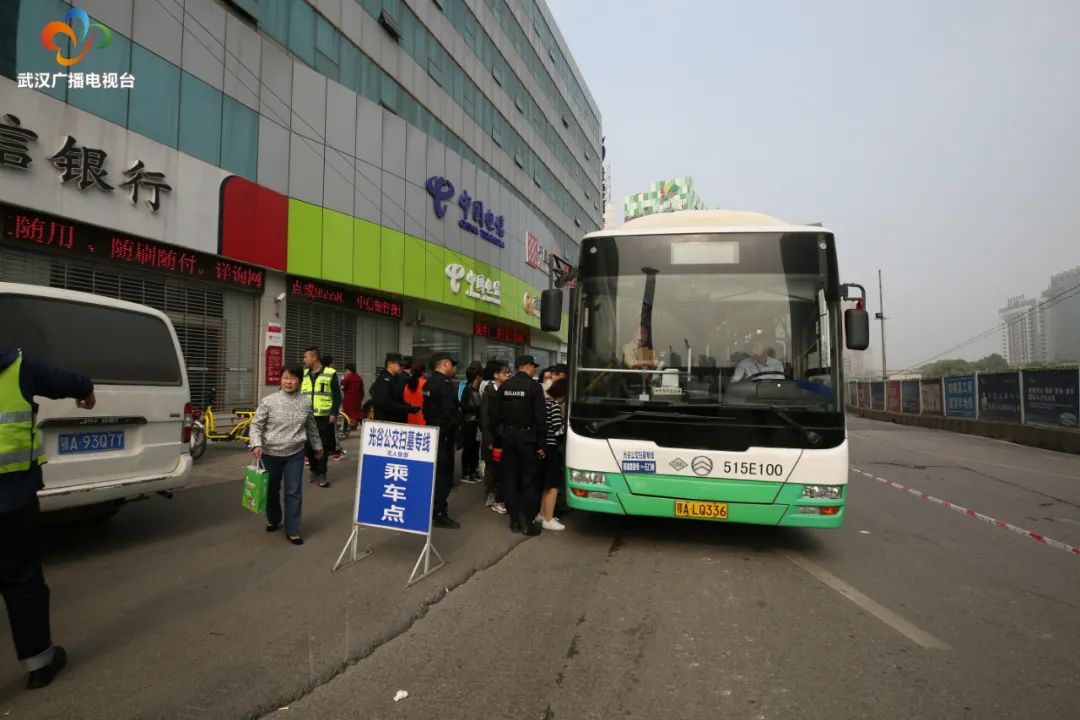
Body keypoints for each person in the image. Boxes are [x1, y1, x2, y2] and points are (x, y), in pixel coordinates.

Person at [0, 345, 95, 690]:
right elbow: (68, 380)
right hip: (11, 500)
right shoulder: (16, 366)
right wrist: (86, 390)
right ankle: (39, 664)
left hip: (13, 497)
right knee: (22, 582)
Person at [249, 365, 323, 546]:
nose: (288, 382)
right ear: (280, 380)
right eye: (285, 378)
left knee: (294, 491)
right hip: (270, 454)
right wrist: (256, 444)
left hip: (295, 453)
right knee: (272, 490)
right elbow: (256, 425)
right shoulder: (269, 401)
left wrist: (317, 445)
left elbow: (311, 426)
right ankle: (274, 519)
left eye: (292, 378)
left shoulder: (306, 402)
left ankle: (293, 529)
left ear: (299, 381)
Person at [493, 355, 545, 535]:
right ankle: (526, 522)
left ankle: (514, 520)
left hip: (508, 437)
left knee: (510, 479)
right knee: (528, 480)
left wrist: (497, 442)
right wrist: (540, 443)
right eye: (533, 367)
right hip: (527, 438)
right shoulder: (534, 387)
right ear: (529, 366)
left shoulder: (504, 386)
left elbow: (496, 416)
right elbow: (540, 418)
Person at [422, 352, 462, 529]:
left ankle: (433, 508)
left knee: (435, 473)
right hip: (444, 434)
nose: (454, 369)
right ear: (445, 364)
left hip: (432, 430)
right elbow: (450, 411)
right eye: (452, 365)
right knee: (444, 475)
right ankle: (439, 511)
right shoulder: (445, 384)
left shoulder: (429, 381)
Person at [301, 347, 340, 488]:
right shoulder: (304, 374)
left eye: (306, 357)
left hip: (324, 417)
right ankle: (313, 469)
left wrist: (333, 413)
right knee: (308, 446)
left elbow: (336, 396)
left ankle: (322, 474)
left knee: (322, 447)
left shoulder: (330, 373)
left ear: (314, 357)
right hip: (307, 417)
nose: (304, 360)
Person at [537, 378, 568, 531]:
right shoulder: (555, 406)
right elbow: (558, 430)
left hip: (543, 449)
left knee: (546, 484)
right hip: (552, 449)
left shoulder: (544, 403)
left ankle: (542, 514)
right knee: (554, 485)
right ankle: (548, 519)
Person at [480, 360, 510, 513]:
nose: (507, 376)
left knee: (502, 466)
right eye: (505, 373)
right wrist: (488, 439)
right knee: (491, 466)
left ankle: (500, 495)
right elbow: (485, 419)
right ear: (496, 375)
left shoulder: (508, 391)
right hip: (492, 437)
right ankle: (491, 493)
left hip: (504, 436)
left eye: (508, 373)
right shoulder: (489, 393)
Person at [371, 353, 418, 422]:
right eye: (400, 365)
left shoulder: (394, 378)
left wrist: (409, 407)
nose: (402, 367)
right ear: (390, 364)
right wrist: (406, 408)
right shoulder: (384, 379)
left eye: (404, 365)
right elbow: (384, 403)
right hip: (386, 422)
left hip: (394, 420)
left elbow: (396, 399)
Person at [459, 366, 483, 483]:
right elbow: (464, 406)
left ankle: (473, 471)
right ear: (477, 376)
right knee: (468, 448)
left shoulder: (475, 389)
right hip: (468, 423)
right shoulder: (468, 389)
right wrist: (478, 408)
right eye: (480, 375)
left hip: (475, 423)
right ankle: (466, 473)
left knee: (475, 448)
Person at [340, 364, 364, 430]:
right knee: (358, 414)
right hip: (357, 400)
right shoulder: (359, 377)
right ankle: (365, 428)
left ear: (348, 370)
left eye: (346, 370)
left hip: (349, 399)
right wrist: (360, 398)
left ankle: (345, 429)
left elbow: (343, 387)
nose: (345, 371)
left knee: (346, 414)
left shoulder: (347, 377)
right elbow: (362, 390)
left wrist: (342, 379)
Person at [403, 360, 427, 425]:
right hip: (423, 419)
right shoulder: (426, 384)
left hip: (410, 418)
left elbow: (405, 400)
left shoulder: (407, 385)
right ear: (423, 372)